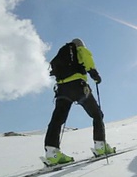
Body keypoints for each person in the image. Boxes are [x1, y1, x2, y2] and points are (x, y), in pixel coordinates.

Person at [43, 38, 114, 167]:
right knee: (97, 114)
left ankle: (52, 153)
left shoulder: (62, 54)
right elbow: (88, 61)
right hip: (78, 87)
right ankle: (100, 146)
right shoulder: (79, 48)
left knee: (57, 119)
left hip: (62, 89)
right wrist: (95, 75)